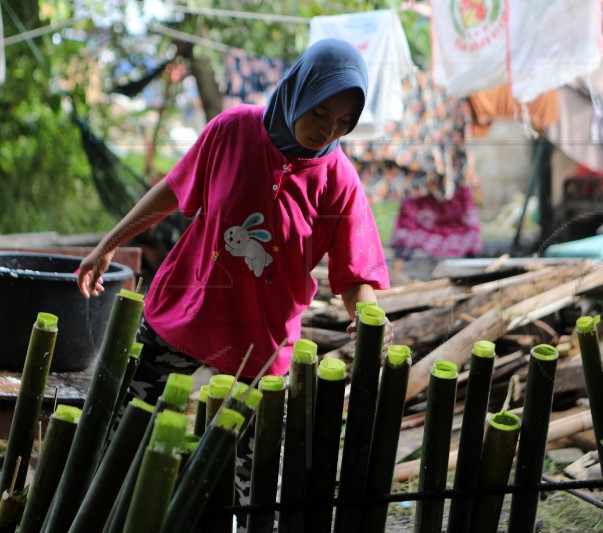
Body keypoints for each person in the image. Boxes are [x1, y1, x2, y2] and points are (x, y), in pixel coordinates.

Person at [77, 38, 393, 505]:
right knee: (120, 437)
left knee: (255, 483)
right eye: (321, 112)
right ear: (299, 90)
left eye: (344, 122)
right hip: (185, 312)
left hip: (262, 344)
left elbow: (355, 273)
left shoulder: (339, 181)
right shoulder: (233, 129)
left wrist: (371, 320)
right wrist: (109, 243)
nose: (328, 131)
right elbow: (173, 188)